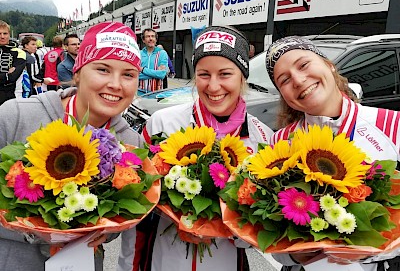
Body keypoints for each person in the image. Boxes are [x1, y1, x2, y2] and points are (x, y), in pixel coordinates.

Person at [118, 25, 274, 271]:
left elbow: (266, 223)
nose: (213, 87)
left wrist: (232, 231)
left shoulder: (263, 138)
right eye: (203, 74)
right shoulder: (162, 123)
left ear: (242, 76)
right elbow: (138, 210)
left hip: (225, 261)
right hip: (163, 258)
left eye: (225, 74)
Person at [0, 21, 143, 271]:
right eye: (103, 69)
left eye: (128, 74)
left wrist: (106, 232)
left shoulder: (131, 144)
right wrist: (35, 229)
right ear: (77, 72)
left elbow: (124, 212)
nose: (116, 84)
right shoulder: (16, 117)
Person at [265, 36, 400, 271]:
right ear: (283, 95)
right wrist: (294, 256)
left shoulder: (391, 125)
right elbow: (269, 229)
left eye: (304, 65)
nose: (297, 79)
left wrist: (369, 252)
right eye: (284, 80)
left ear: (329, 65)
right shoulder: (280, 142)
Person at [0, 20, 26, 105]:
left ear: (9, 35)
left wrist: (9, 76)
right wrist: (6, 74)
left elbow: (13, 77)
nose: (2, 36)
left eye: (5, 33)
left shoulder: (19, 52)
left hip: (11, 99)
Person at [138, 28, 168, 93]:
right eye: (148, 36)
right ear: (143, 40)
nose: (150, 38)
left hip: (157, 94)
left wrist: (143, 70)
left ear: (156, 39)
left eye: (153, 36)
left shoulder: (162, 53)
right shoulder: (139, 54)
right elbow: (136, 75)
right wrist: (155, 73)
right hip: (140, 94)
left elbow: (162, 74)